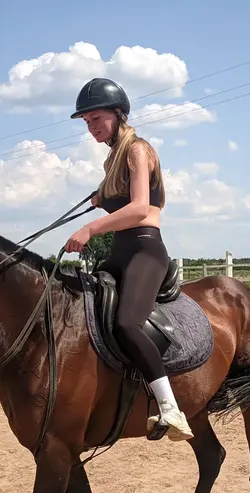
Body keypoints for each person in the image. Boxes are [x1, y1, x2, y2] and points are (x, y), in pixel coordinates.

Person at [62, 77, 193, 442]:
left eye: (97, 118)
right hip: (120, 250)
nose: (91, 127)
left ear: (118, 114)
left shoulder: (138, 149)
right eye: (86, 122)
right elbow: (118, 202)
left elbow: (138, 209)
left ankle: (170, 408)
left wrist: (90, 228)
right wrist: (100, 197)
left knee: (128, 324)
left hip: (145, 249)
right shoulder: (112, 161)